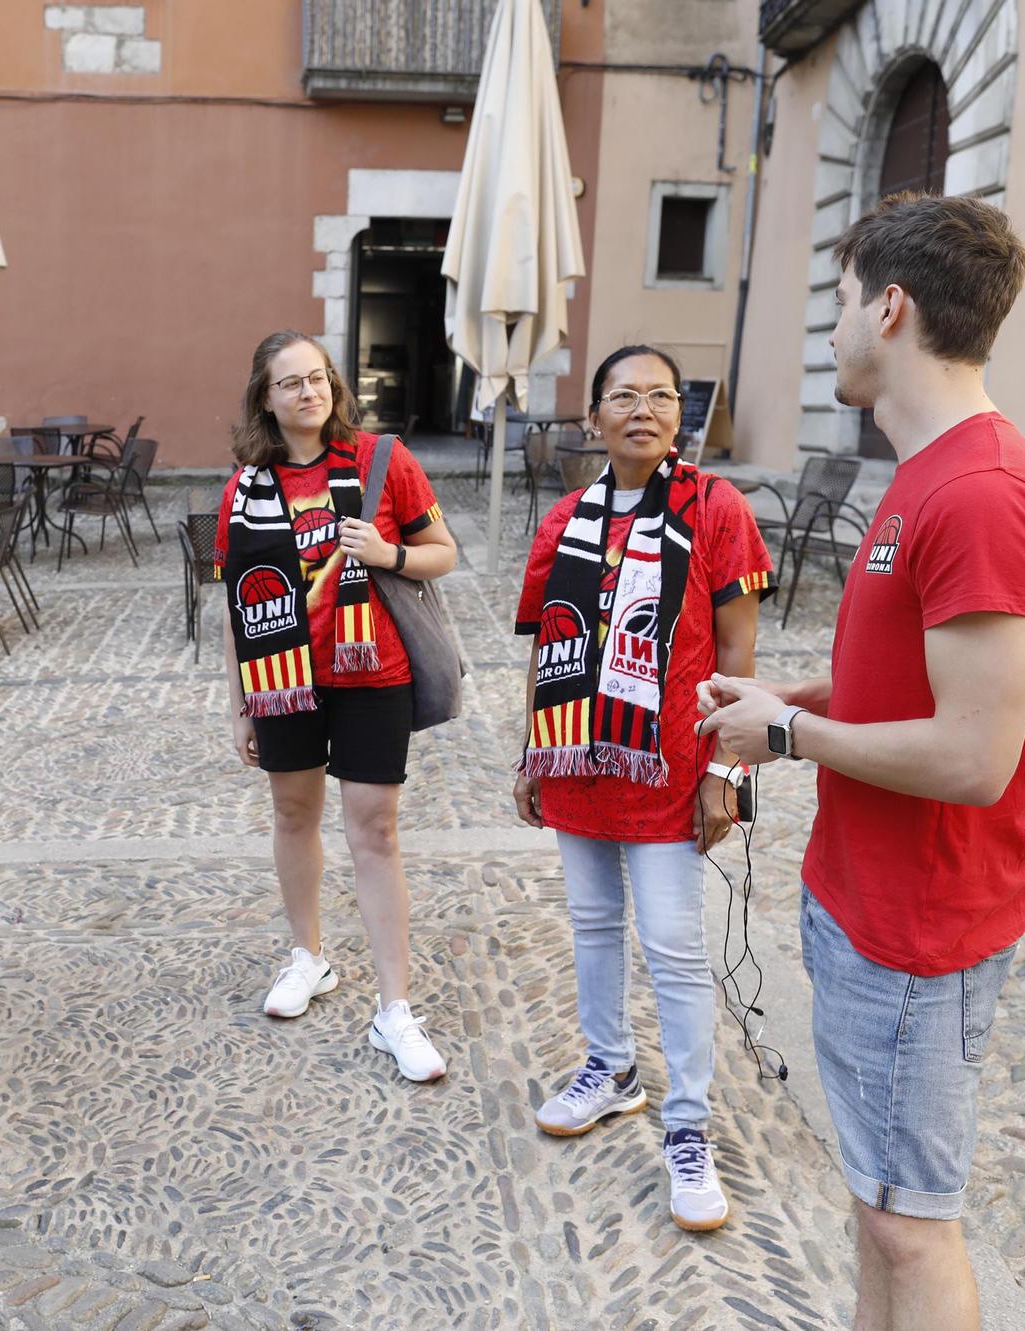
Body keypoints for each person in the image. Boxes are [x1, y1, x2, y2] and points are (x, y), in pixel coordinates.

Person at [699, 194, 1025, 1331]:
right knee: (880, 1209)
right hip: (866, 908)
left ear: (891, 306)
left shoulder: (976, 492)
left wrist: (783, 735)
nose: (830, 330)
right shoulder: (923, 473)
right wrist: (795, 696)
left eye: (840, 300)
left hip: (921, 929)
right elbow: (908, 687)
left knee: (912, 1226)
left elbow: (971, 754)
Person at [511, 344, 777, 1232]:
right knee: (592, 925)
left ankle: (689, 1124)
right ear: (593, 418)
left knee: (671, 946)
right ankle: (611, 1067)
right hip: (579, 762)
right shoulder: (563, 522)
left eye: (662, 395)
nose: (644, 409)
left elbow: (738, 655)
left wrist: (725, 772)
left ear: (679, 416)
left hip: (669, 769)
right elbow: (546, 646)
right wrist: (529, 754)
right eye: (623, 395)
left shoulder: (715, 508)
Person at [215, 330, 459, 1082]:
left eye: (318, 377)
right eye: (289, 382)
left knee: (375, 832)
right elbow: (232, 604)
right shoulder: (245, 487)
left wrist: (388, 554)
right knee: (293, 815)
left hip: (372, 672)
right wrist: (240, 706)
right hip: (283, 677)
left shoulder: (383, 462)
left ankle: (395, 1009)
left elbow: (443, 551)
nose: (308, 391)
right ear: (265, 397)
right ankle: (308, 957)